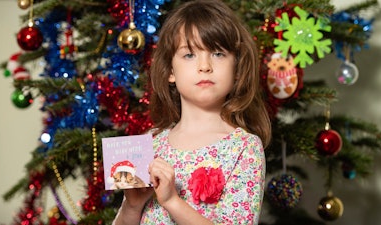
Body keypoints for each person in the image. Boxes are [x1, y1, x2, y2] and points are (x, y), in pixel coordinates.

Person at [112, 0, 271, 224]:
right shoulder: (151, 142)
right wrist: (132, 205)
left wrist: (172, 201)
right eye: (189, 55)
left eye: (217, 53)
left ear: (237, 69)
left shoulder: (244, 148)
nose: (204, 66)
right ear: (170, 71)